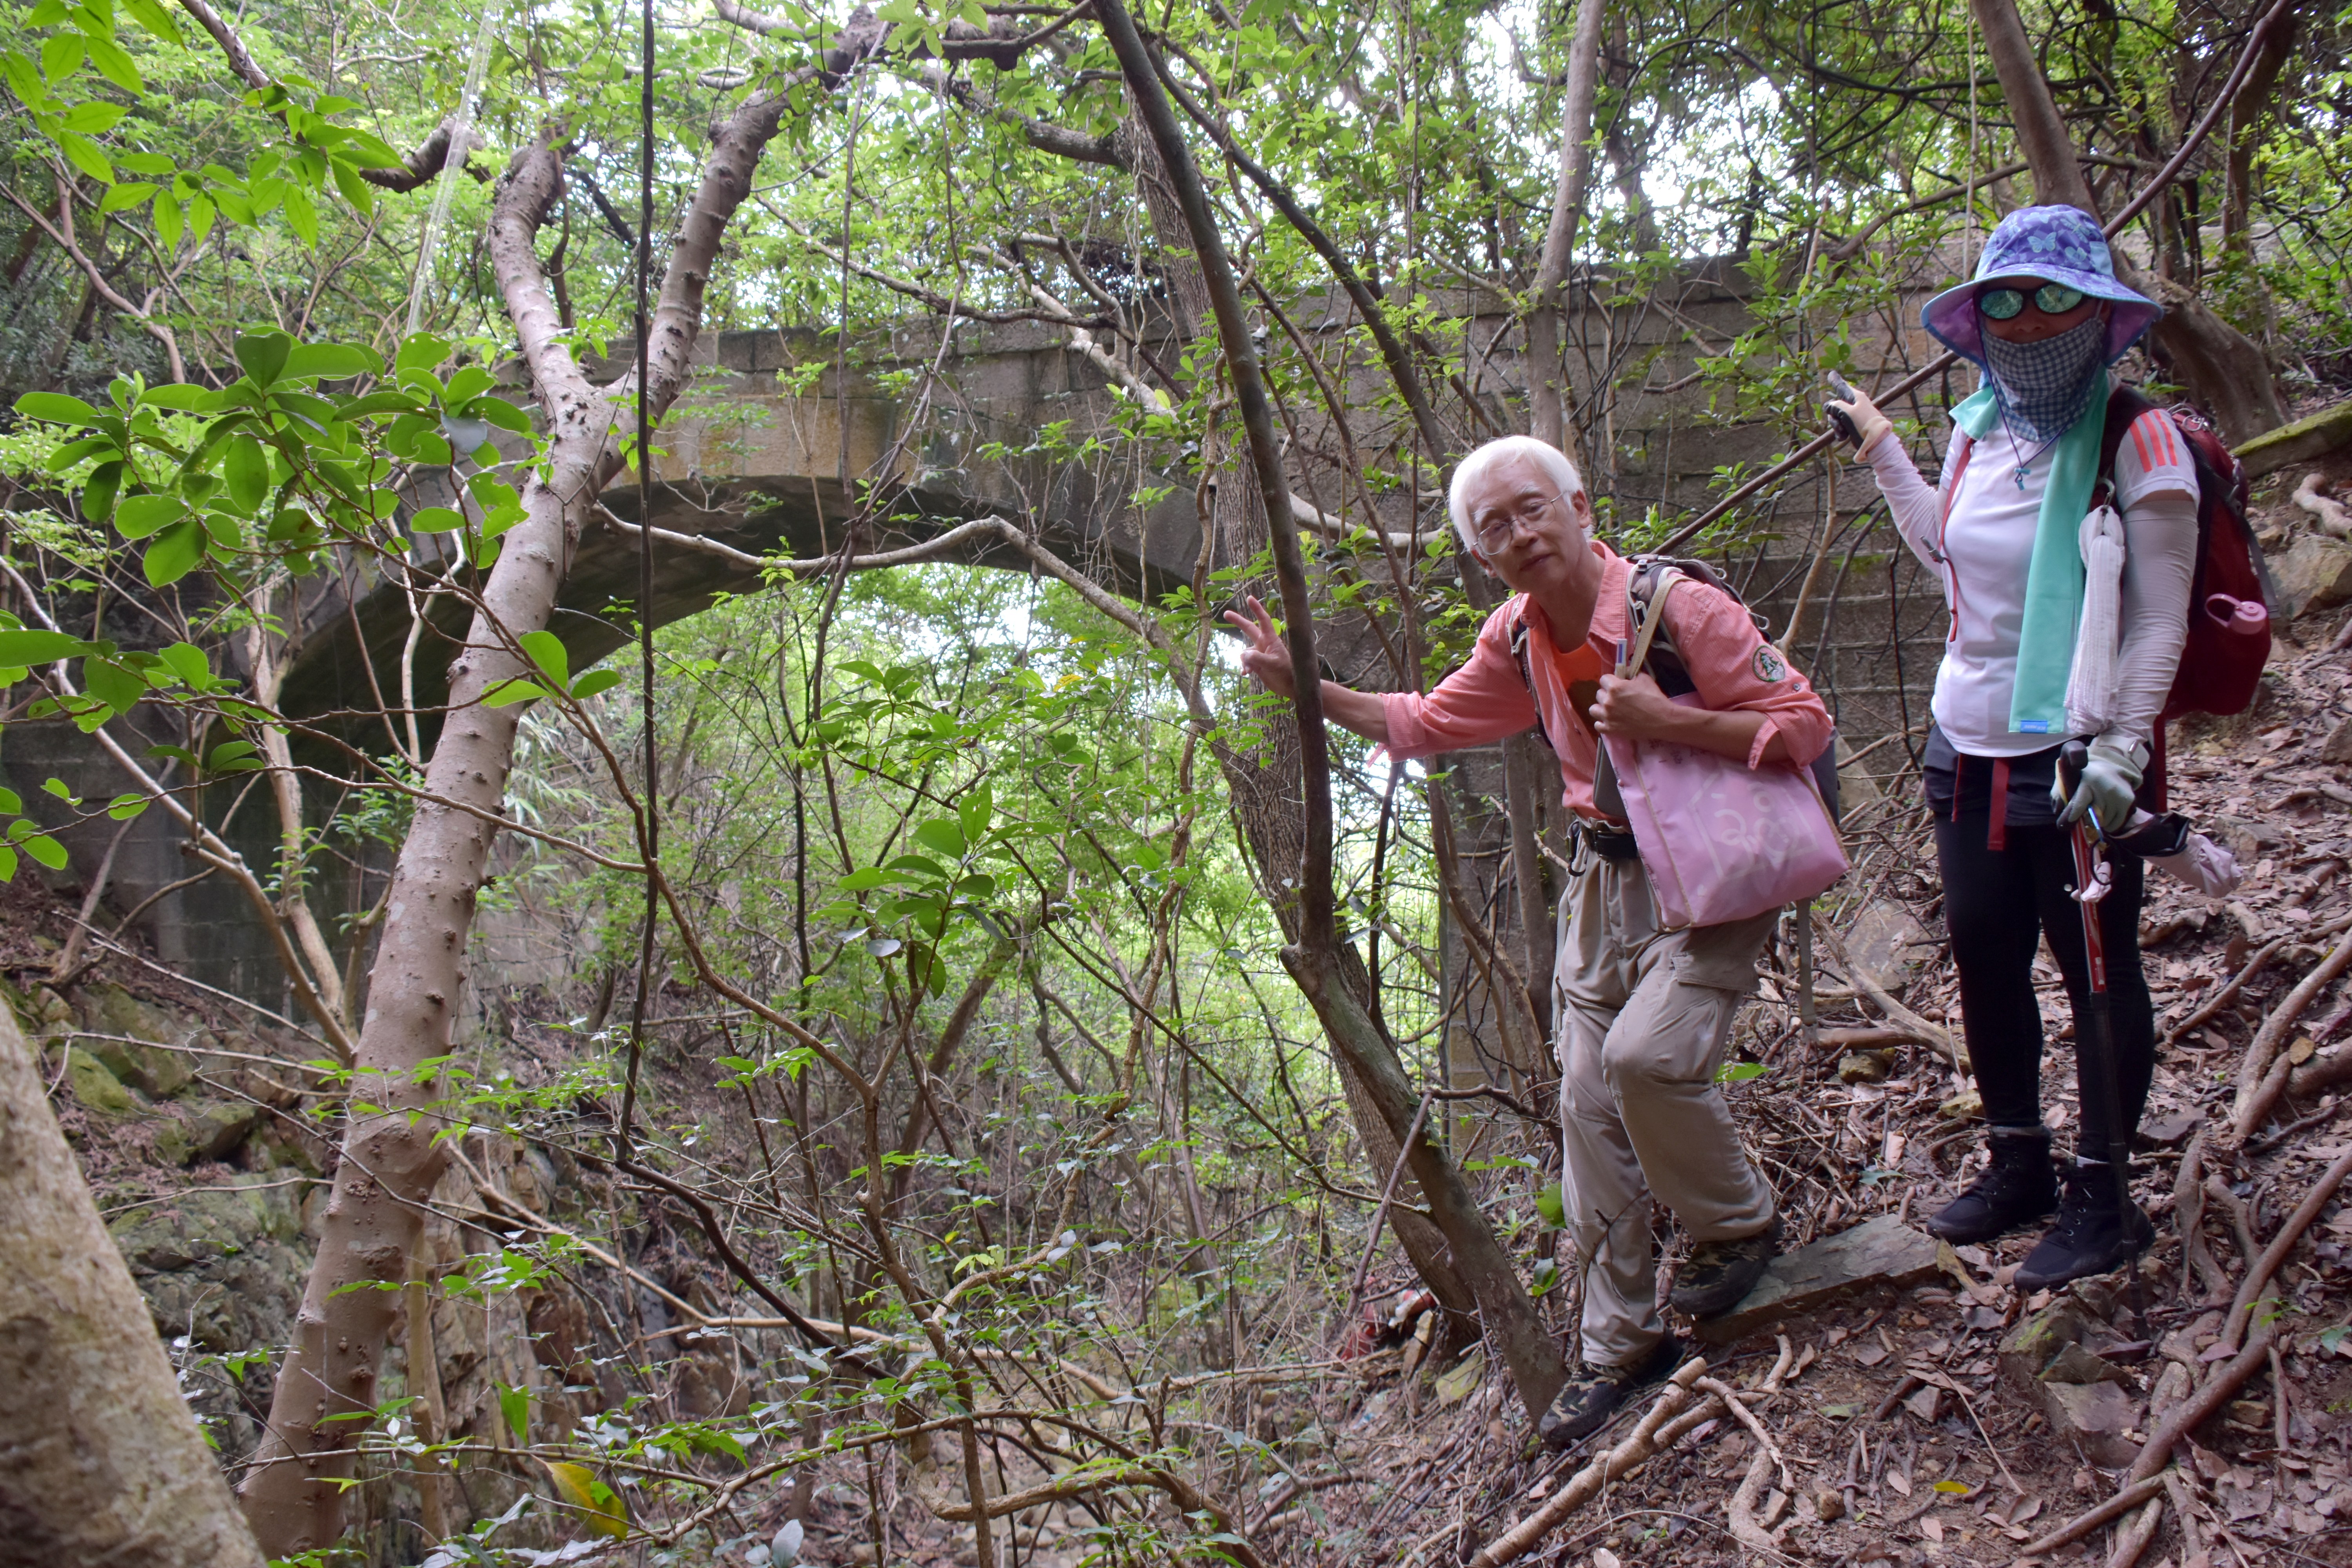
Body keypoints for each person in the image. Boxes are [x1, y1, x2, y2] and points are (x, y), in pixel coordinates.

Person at [1225, 434, 1834, 1446]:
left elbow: (1804, 721)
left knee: (1645, 1060)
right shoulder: (1516, 637)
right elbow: (1423, 723)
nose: (1519, 534)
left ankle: (1738, 1226)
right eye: (1494, 527)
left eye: (1533, 508)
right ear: (1480, 553)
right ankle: (1619, 1344)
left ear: (1580, 507)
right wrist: (1307, 689)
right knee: (1586, 1102)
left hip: (1716, 868)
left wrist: (1667, 720)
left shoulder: (1678, 607)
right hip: (1606, 879)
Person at [1829, 204, 2194, 1289]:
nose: (2028, 321)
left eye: (2053, 298)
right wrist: (1886, 451)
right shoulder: (1978, 428)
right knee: (1987, 955)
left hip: (2079, 747)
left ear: (2098, 313)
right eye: (2005, 301)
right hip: (1966, 741)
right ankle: (2018, 1162)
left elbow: (2160, 617)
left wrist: (2120, 753)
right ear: (1977, 320)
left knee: (2094, 967)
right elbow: (1947, 557)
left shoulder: (2140, 438)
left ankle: (2105, 1195)